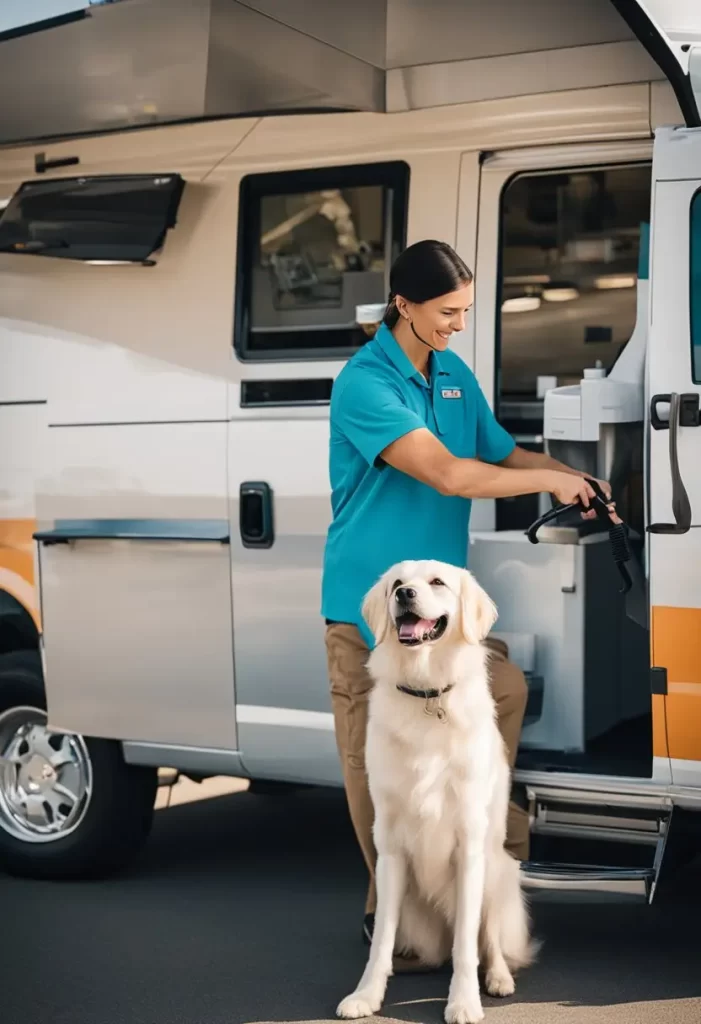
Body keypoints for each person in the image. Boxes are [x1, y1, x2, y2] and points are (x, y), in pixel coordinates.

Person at [321, 239, 610, 966]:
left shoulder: (450, 374)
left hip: (440, 616)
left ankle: (483, 847)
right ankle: (385, 910)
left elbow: (499, 452)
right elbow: (449, 474)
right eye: (446, 313)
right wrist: (545, 486)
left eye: (464, 312)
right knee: (373, 764)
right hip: (374, 616)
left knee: (501, 688)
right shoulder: (364, 384)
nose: (456, 325)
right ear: (403, 305)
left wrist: (569, 474)